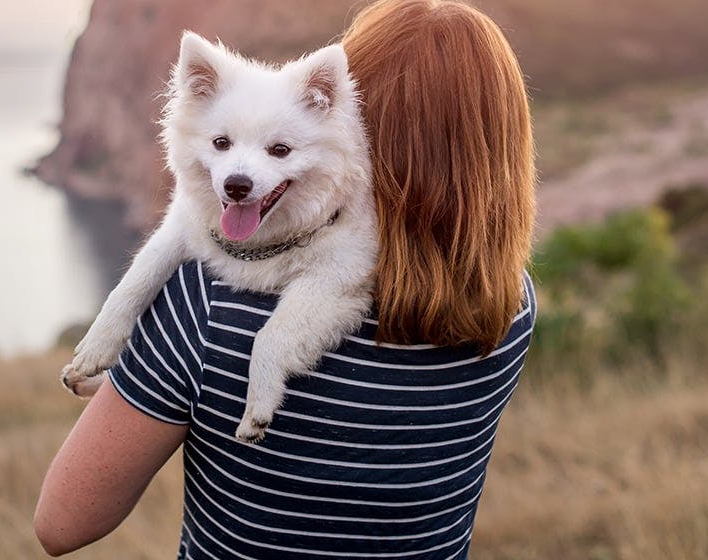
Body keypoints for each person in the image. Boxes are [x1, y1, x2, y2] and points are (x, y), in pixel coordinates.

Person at [34, 0, 537, 557]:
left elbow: (62, 524)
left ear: (353, 120)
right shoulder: (508, 301)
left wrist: (148, 376)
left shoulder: (207, 304)